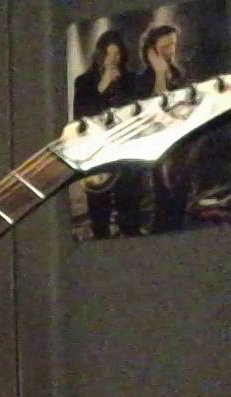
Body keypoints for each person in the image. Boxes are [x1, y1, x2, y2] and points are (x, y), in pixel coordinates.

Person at [72, 30, 141, 238]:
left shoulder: (130, 80)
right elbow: (81, 116)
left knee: (128, 204)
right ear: (100, 55)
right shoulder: (84, 82)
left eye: (117, 54)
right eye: (109, 54)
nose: (113, 59)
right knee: (99, 208)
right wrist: (102, 86)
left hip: (124, 148)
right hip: (97, 151)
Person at [136, 24, 191, 233]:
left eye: (173, 45)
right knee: (163, 196)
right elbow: (154, 108)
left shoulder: (178, 73)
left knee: (181, 193)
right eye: (165, 46)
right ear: (152, 50)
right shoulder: (143, 79)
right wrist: (159, 74)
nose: (171, 51)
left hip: (180, 142)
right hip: (158, 143)